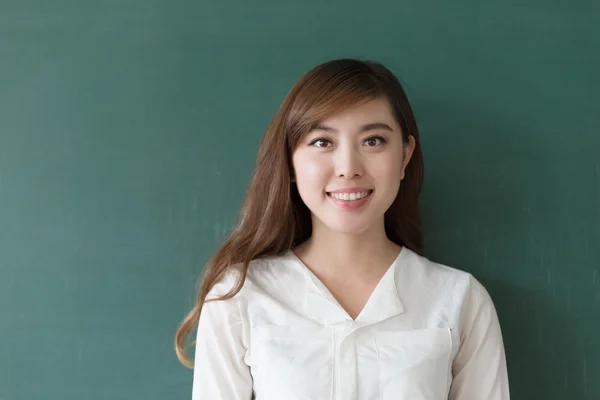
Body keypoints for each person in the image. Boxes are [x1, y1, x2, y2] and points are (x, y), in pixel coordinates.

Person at [175, 58, 510, 400]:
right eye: (322, 142)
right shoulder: (239, 297)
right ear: (290, 160)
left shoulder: (460, 300)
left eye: (373, 141)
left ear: (404, 157)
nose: (348, 168)